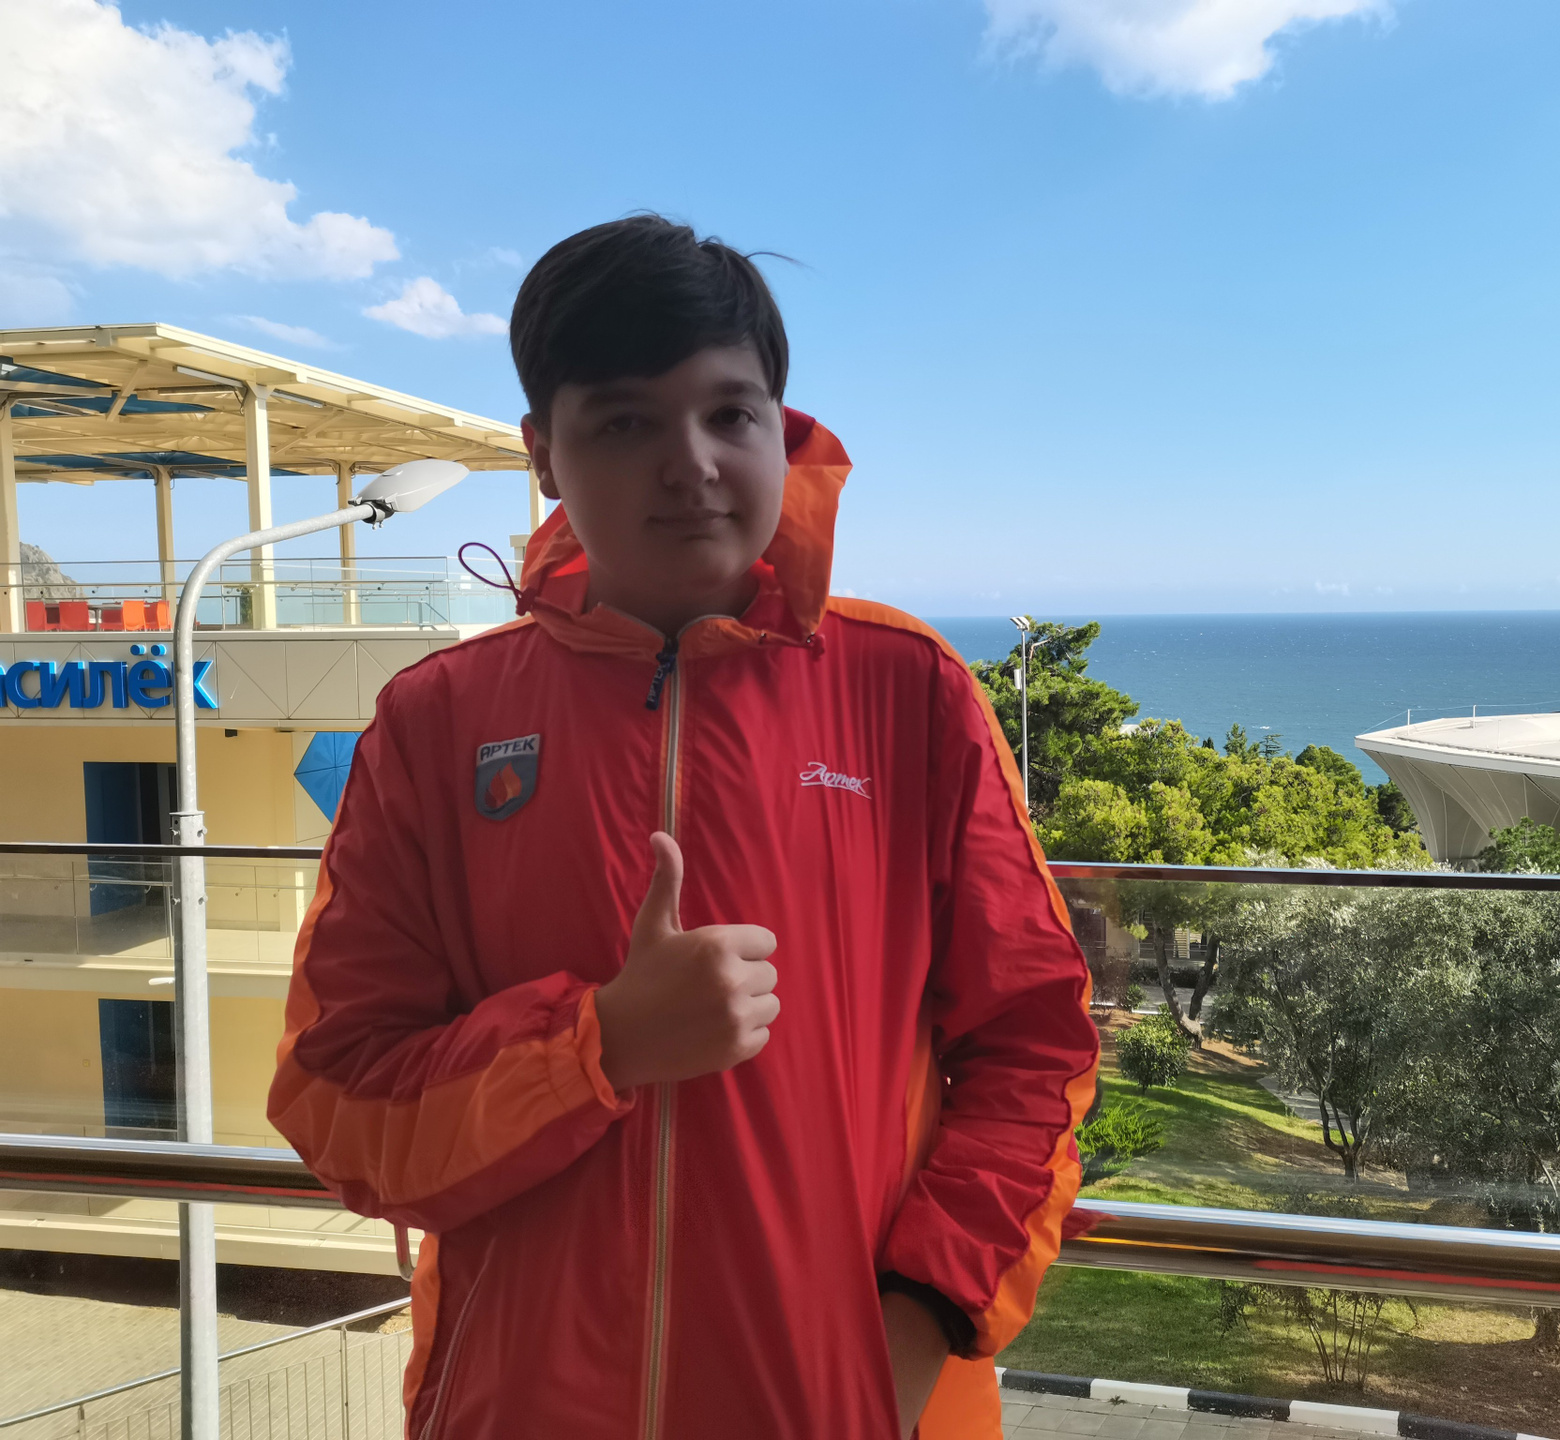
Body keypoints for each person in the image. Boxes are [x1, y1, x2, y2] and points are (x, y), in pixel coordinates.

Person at [268, 215, 1101, 1440]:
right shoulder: (437, 722)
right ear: (543, 456)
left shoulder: (908, 691)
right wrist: (596, 1045)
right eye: (624, 423)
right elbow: (340, 1098)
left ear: (781, 429)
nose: (692, 464)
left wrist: (907, 1339)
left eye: (730, 414)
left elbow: (1036, 1047)